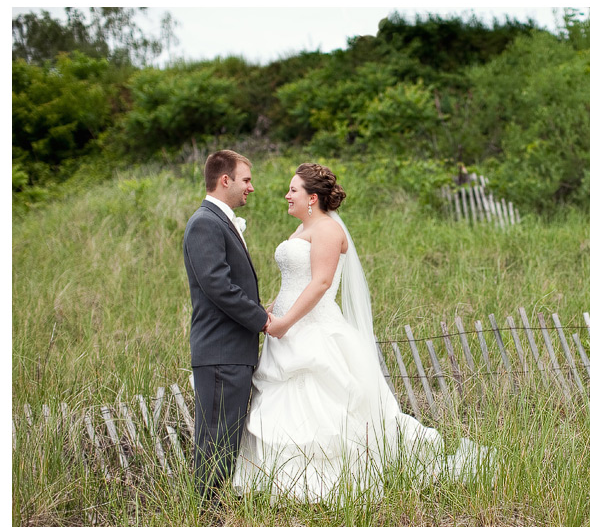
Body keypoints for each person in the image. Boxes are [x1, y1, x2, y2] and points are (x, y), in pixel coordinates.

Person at [233, 163, 489, 502]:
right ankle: (277, 481)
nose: (287, 195)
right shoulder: (301, 230)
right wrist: (272, 310)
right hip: (286, 330)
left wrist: (285, 322)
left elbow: (321, 283)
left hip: (311, 330)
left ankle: (325, 483)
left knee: (324, 406)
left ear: (312, 198)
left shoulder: (327, 230)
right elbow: (295, 282)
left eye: (293, 190)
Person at [183, 150, 271, 502]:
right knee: (216, 439)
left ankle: (211, 511)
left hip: (231, 351)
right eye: (246, 180)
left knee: (225, 437)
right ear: (225, 180)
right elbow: (218, 286)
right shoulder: (205, 222)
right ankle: (206, 515)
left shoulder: (217, 220)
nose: (251, 187)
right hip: (221, 350)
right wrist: (262, 319)